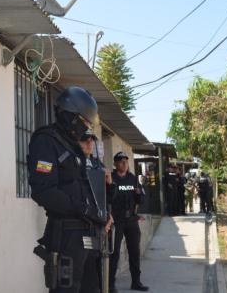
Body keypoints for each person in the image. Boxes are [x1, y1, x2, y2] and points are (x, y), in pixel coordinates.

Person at [29, 86, 107, 293]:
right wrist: (83, 209)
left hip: (89, 234)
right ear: (72, 117)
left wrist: (100, 214)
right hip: (67, 235)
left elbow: (81, 186)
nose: (88, 127)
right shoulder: (46, 141)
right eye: (85, 121)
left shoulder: (73, 147)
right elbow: (43, 191)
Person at [108, 152, 149, 292]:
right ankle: (110, 284)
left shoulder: (132, 179)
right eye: (120, 161)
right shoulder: (110, 178)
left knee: (134, 252)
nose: (124, 164)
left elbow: (141, 199)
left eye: (126, 161)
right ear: (115, 164)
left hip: (131, 220)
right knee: (114, 253)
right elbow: (106, 198)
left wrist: (138, 194)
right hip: (116, 221)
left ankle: (136, 282)